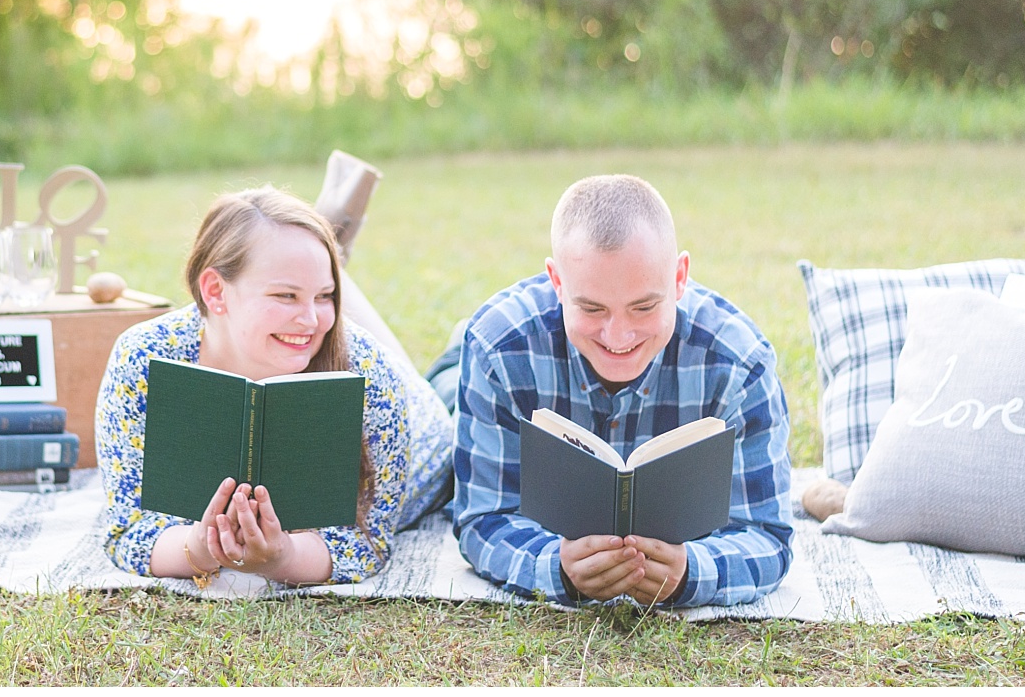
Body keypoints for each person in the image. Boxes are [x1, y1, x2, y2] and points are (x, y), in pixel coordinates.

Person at [449, 174, 792, 607]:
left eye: (644, 307)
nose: (618, 336)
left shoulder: (739, 362)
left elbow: (767, 536)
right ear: (557, 282)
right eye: (592, 308)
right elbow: (481, 518)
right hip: (460, 382)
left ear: (680, 277)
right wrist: (556, 567)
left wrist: (691, 572)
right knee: (437, 403)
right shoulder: (497, 347)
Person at [95, 187, 454, 586]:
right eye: (286, 295)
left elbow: (363, 544)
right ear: (215, 291)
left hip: (427, 428)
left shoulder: (369, 372)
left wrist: (281, 557)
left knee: (452, 381)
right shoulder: (145, 357)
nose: (312, 320)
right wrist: (201, 547)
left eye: (325, 296)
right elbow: (128, 531)